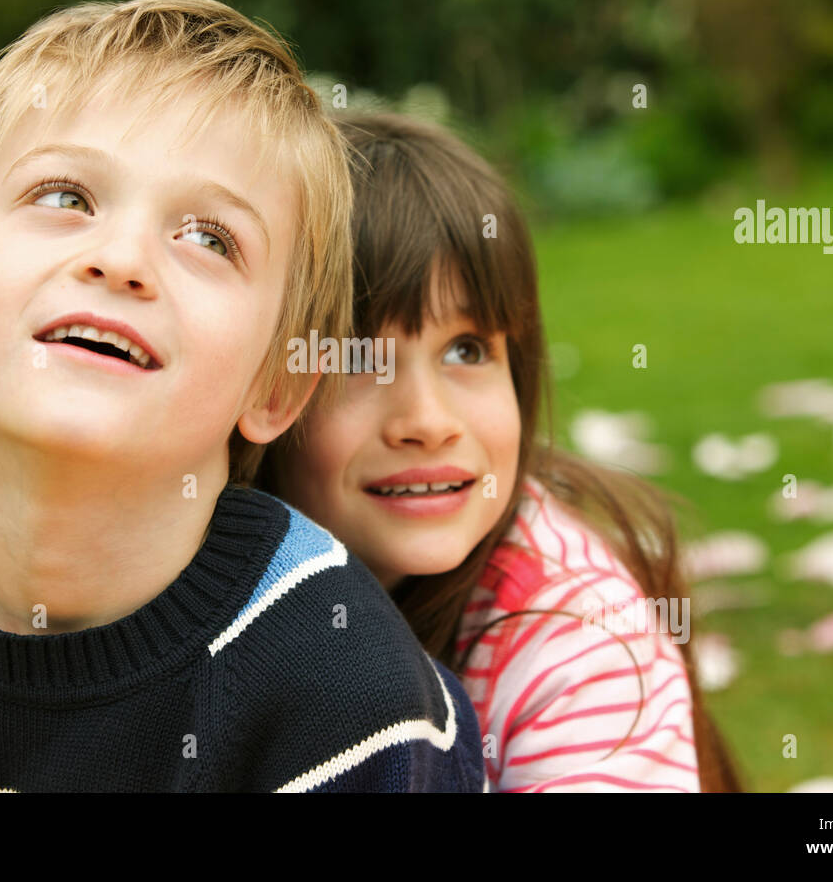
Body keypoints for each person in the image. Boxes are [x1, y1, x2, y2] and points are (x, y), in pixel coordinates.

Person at [0, 0, 486, 793]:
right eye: (66, 197)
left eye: (210, 238)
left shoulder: (340, 697)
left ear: (275, 383)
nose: (122, 257)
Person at [260, 111, 743, 792]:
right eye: (360, 360)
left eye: (467, 350)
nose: (427, 422)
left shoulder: (581, 641)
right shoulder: (205, 570)